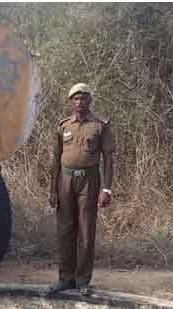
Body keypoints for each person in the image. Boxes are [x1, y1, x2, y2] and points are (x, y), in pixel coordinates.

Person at [48, 83, 115, 295]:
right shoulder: (63, 126)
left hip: (89, 180)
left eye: (84, 98)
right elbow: (55, 160)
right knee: (65, 230)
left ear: (90, 101)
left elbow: (109, 159)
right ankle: (65, 278)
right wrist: (53, 190)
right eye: (76, 99)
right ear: (70, 102)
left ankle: (83, 281)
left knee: (86, 231)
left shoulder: (99, 126)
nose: (80, 102)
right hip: (65, 180)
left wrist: (107, 189)